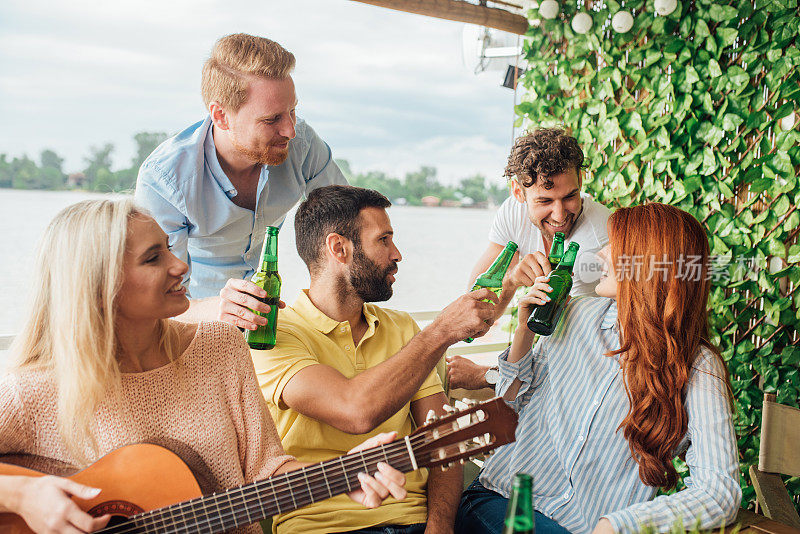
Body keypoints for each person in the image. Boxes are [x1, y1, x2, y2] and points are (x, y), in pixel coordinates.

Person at [0, 199, 405, 534]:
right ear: (100, 284)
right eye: (153, 258)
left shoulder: (219, 346)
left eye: (170, 248)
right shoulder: (34, 389)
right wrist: (22, 497)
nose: (180, 266)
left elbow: (266, 470)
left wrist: (339, 478)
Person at [455, 203, 741, 534]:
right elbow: (509, 404)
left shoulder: (699, 367)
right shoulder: (573, 313)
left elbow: (718, 492)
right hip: (501, 502)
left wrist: (618, 525)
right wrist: (524, 331)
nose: (602, 254)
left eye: (614, 246)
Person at [252, 185, 500, 534]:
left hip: (413, 522)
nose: (397, 254)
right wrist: (442, 330)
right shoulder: (276, 335)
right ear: (339, 248)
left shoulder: (402, 327)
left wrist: (440, 526)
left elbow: (443, 436)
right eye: (383, 240)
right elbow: (355, 411)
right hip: (322, 527)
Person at [134, 33, 347, 330]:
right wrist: (215, 310)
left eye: (293, 111)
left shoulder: (303, 145)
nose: (290, 131)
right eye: (272, 119)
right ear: (221, 116)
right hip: (188, 321)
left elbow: (349, 219)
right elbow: (153, 302)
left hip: (264, 315)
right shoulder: (164, 180)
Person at [448, 127, 611, 391]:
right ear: (517, 192)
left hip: (587, 373)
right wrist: (511, 282)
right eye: (545, 201)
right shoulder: (512, 213)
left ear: (581, 180)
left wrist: (486, 375)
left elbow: (558, 356)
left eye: (570, 196)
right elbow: (474, 318)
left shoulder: (596, 238)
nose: (559, 215)